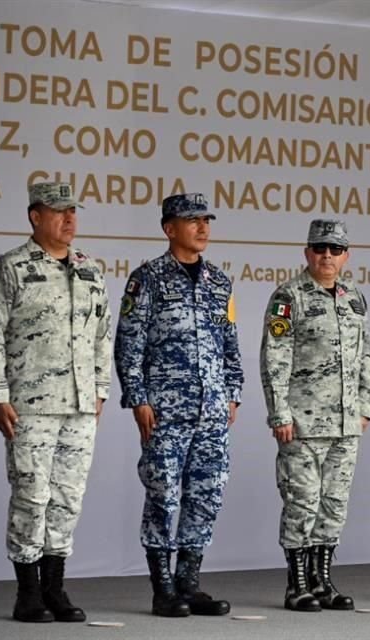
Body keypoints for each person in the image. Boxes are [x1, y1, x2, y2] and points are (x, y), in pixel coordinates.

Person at [0, 182, 111, 623]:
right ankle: (27, 593)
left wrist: (100, 390)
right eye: (58, 212)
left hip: (79, 406)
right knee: (31, 496)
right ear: (35, 217)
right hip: (31, 405)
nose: (69, 219)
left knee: (67, 499)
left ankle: (55, 588)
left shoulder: (90, 269)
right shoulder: (12, 268)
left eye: (72, 211)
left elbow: (102, 337)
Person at [114, 193, 243, 617]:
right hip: (165, 410)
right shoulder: (147, 279)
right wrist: (138, 398)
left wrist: (233, 392)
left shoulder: (219, 282)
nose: (203, 228)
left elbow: (229, 344)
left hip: (211, 410)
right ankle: (162, 588)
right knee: (163, 493)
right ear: (170, 228)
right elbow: (129, 343)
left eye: (206, 220)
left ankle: (189, 583)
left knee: (206, 495)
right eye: (192, 221)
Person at [261, 219, 370, 612]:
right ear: (307, 252)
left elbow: (365, 356)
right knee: (302, 503)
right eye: (320, 249)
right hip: (303, 425)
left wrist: (366, 407)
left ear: (346, 255)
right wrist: (279, 414)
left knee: (333, 505)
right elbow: (274, 359)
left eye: (335, 250)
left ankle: (322, 581)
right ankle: (296, 585)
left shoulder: (354, 298)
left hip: (345, 424)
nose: (327, 256)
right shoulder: (288, 297)